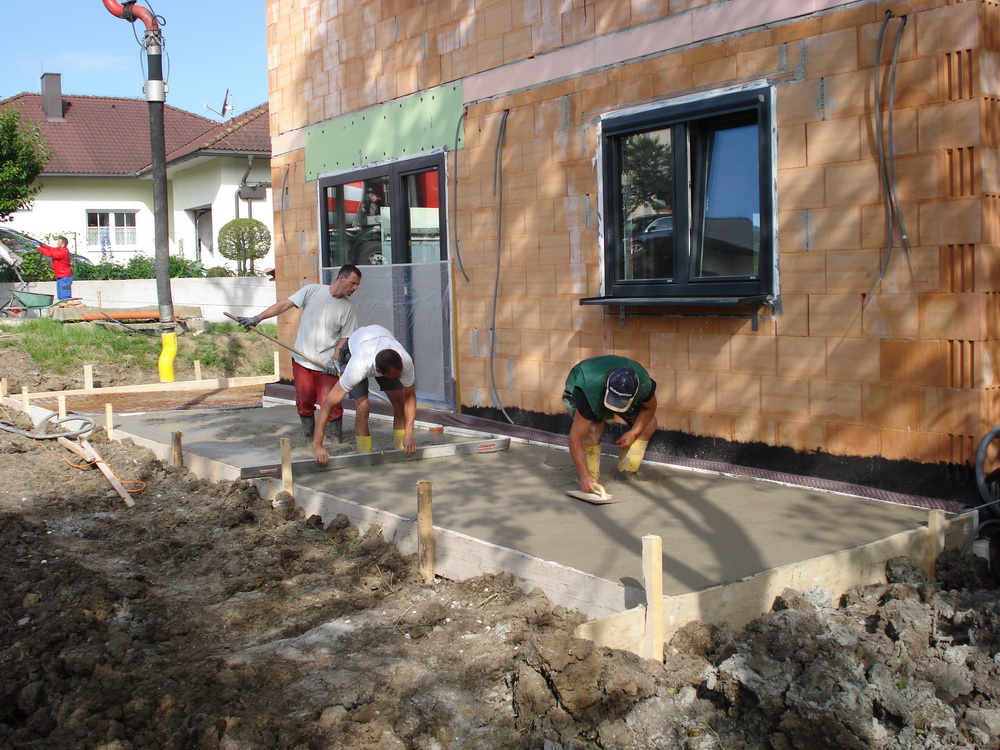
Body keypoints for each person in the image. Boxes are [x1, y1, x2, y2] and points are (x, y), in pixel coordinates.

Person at [237, 264, 362, 441]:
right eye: (352, 283)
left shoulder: (348, 308)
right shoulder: (312, 291)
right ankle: (309, 440)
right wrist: (257, 318)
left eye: (357, 285)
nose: (354, 288)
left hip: (326, 365)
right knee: (304, 403)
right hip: (302, 361)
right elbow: (284, 305)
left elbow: (345, 337)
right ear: (341, 278)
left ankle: (336, 441)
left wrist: (335, 358)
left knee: (331, 403)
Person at [312, 323, 417, 465]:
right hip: (354, 349)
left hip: (380, 341)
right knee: (363, 407)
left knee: (399, 404)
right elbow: (328, 405)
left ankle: (402, 450)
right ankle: (365, 457)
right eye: (395, 376)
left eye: (400, 374)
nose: (400, 378)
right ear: (379, 372)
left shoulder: (405, 362)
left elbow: (410, 398)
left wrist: (409, 434)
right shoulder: (357, 368)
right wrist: (317, 446)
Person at [562, 355, 658, 494]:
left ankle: (626, 473)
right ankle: (590, 480)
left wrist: (633, 433)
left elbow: (649, 408)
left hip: (613, 389)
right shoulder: (588, 393)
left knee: (648, 424)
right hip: (587, 384)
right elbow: (575, 438)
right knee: (592, 429)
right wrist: (584, 474)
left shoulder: (644, 384)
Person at [36, 236, 73, 300]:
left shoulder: (63, 252)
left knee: (65, 297)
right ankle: (62, 306)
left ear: (63, 244)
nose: (57, 243)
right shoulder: (60, 250)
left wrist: (39, 248)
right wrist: (43, 246)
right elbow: (51, 249)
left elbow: (50, 253)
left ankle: (66, 308)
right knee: (60, 297)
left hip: (64, 277)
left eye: (59, 242)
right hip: (60, 276)